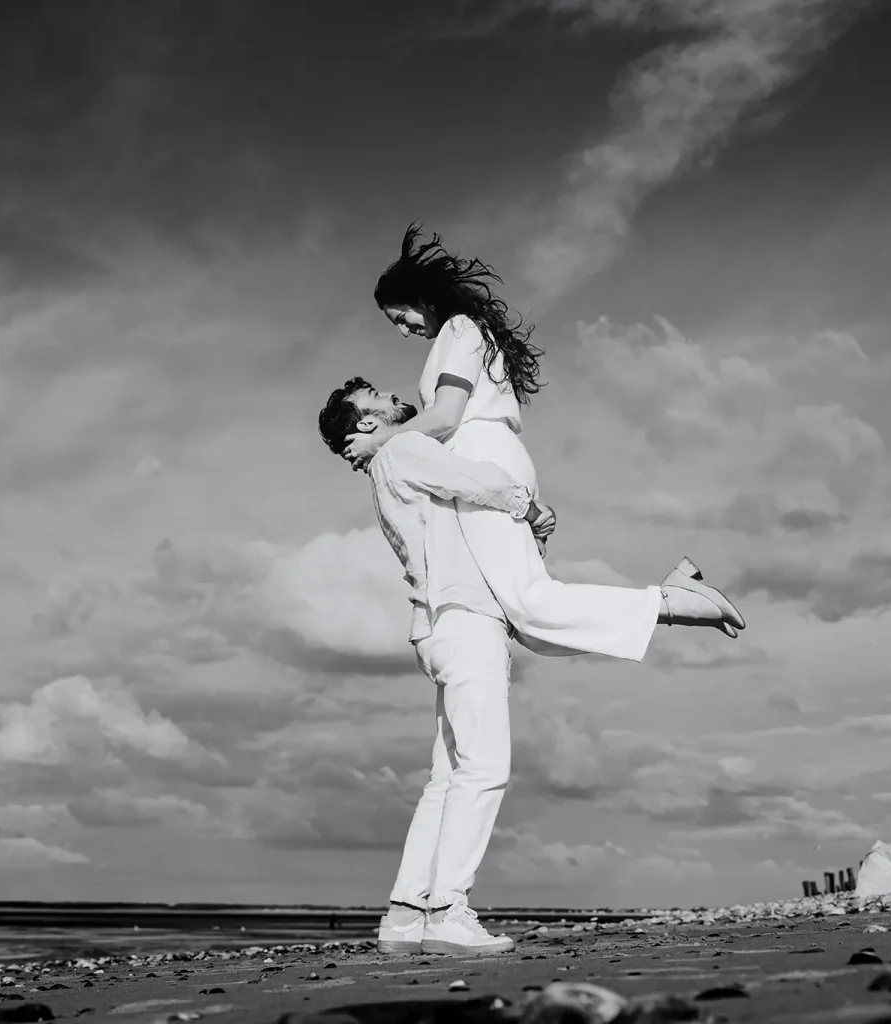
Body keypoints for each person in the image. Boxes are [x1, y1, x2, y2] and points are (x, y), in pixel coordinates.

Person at [316, 379, 743, 957]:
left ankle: (405, 915)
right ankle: (446, 911)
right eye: (379, 398)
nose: (395, 398)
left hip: (434, 627)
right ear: (365, 423)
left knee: (446, 779)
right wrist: (530, 508)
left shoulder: (384, 471)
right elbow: (478, 481)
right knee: (483, 769)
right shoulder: (401, 449)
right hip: (465, 619)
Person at [340, 224, 746, 656]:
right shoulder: (464, 334)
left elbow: (446, 415)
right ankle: (669, 598)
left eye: (402, 319)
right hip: (493, 461)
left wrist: (380, 443)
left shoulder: (458, 329)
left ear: (420, 299)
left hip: (481, 456)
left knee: (529, 604)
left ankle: (670, 600)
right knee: (529, 626)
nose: (405, 331)